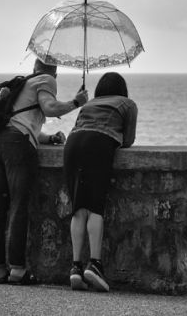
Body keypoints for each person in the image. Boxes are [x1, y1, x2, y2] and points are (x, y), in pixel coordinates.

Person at [0, 59, 89, 285]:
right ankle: (17, 270)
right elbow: (50, 108)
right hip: (17, 148)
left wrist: (49, 138)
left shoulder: (23, 85)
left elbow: (20, 123)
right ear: (54, 71)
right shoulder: (47, 79)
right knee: (18, 206)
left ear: (34, 67)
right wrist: (77, 101)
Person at [63, 72, 137, 292]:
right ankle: (94, 265)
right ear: (122, 88)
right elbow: (129, 140)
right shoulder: (127, 104)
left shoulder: (89, 103)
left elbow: (79, 124)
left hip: (73, 143)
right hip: (99, 144)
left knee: (78, 208)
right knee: (95, 207)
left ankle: (75, 268)